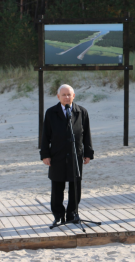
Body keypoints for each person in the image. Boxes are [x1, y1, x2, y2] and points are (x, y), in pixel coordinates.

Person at [40, 84, 94, 225]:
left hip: (76, 155)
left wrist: (88, 153)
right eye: (63, 95)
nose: (66, 97)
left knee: (75, 186)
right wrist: (45, 154)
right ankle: (58, 216)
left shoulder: (81, 112)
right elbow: (45, 136)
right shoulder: (51, 113)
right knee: (57, 186)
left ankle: (72, 214)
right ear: (58, 97)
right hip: (57, 155)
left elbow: (86, 134)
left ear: (74, 96)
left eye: (69, 94)